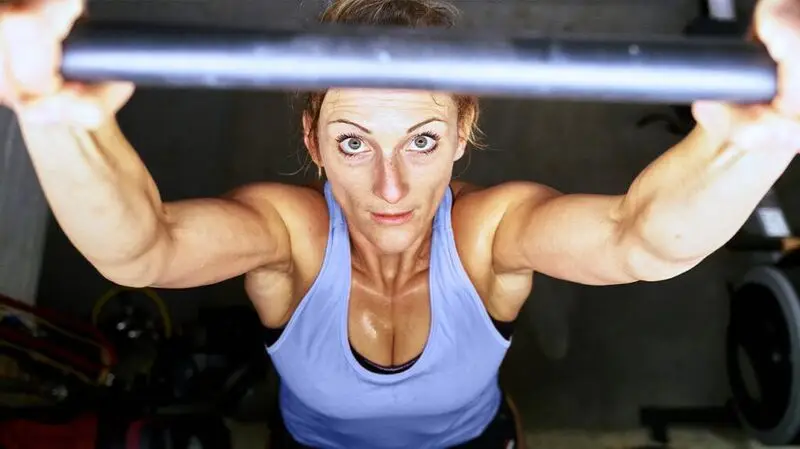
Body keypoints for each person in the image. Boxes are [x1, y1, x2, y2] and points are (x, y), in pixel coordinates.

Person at [2, 0, 799, 447]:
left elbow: (640, 241)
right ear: (313, 140)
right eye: (354, 142)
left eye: (421, 140)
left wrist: (762, 136)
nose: (390, 184)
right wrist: (53, 115)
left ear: (462, 130)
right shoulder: (293, 240)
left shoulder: (490, 236)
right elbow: (144, 249)